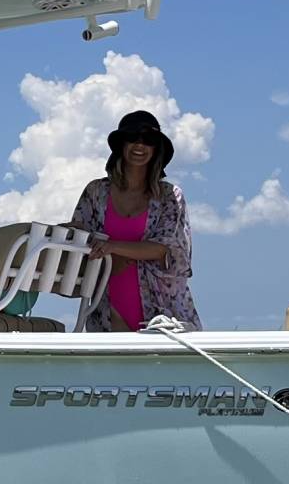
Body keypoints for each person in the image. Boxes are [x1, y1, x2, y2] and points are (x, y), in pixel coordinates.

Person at [69, 110, 201, 331]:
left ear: (156, 148)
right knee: (114, 365)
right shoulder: (96, 192)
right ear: (121, 144)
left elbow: (165, 247)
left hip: (163, 310)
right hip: (108, 305)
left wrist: (112, 247)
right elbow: (79, 234)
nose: (140, 145)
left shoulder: (170, 196)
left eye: (148, 140)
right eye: (132, 137)